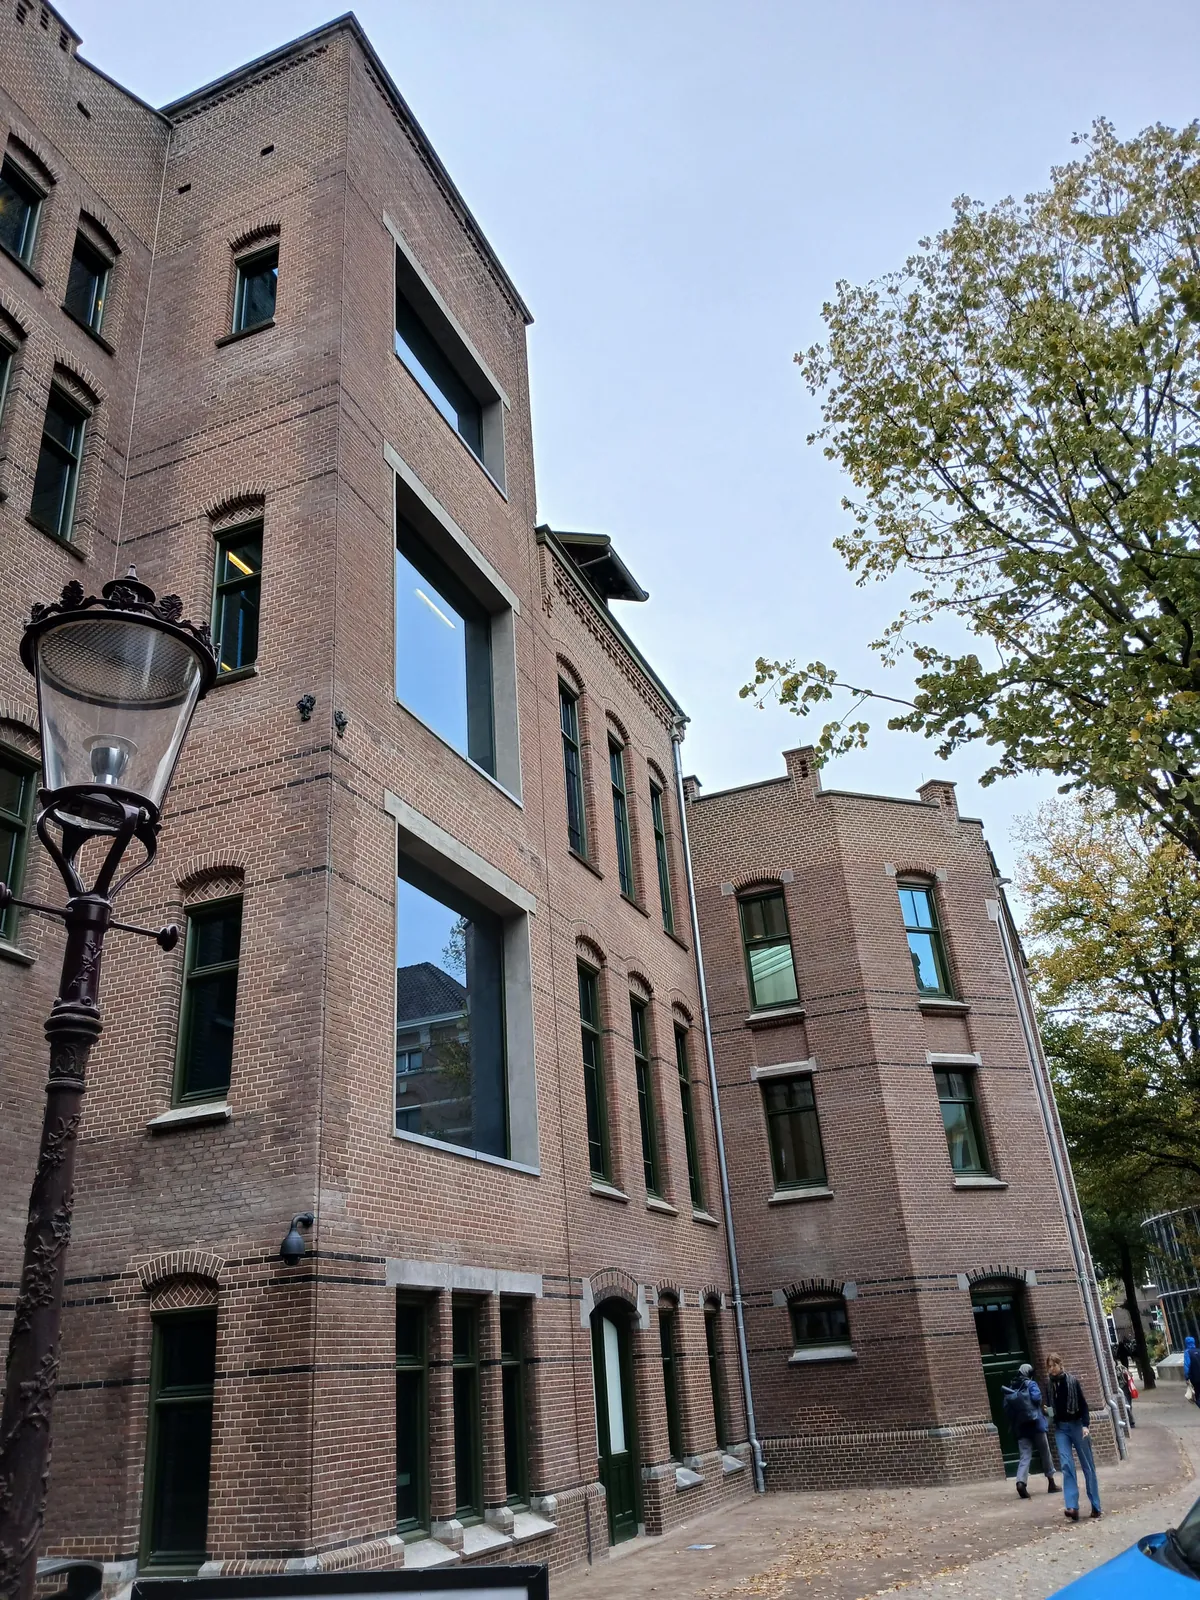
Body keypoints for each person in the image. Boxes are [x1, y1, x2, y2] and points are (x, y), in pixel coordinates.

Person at [1046, 1352, 1101, 1521]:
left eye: (1054, 1365)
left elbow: (1083, 1405)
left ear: (1060, 1365)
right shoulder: (1049, 1385)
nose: (1051, 1369)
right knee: (1066, 1465)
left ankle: (1096, 1505)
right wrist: (1047, 1412)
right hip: (1061, 1428)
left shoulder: (1072, 1382)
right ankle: (1072, 1507)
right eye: (1049, 1366)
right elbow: (1049, 1406)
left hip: (1077, 1425)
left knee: (1087, 1466)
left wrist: (1085, 1425)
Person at [1002, 1362, 1059, 1499]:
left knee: (1024, 1456)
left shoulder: (1011, 1388)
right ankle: (1051, 1482)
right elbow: (1037, 1398)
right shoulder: (1031, 1384)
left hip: (1021, 1427)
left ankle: (1021, 1482)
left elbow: (1006, 1407)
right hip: (1036, 1424)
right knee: (1045, 1453)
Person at [1184, 1335, 1200, 1408]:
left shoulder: (1187, 1352)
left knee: (1197, 1396)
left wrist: (1187, 1377)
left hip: (1195, 1377)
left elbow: (1187, 1365)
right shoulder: (1199, 1351)